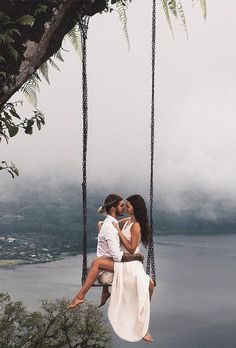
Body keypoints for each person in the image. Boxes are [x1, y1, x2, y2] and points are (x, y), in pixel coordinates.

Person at [68, 193, 154, 342]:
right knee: (101, 261)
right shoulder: (126, 221)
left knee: (149, 285)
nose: (126, 207)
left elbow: (133, 250)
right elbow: (110, 224)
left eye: (128, 205)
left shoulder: (136, 225)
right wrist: (102, 225)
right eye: (124, 205)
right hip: (123, 262)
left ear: (135, 208)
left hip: (131, 263)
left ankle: (142, 324)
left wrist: (119, 233)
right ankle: (96, 294)